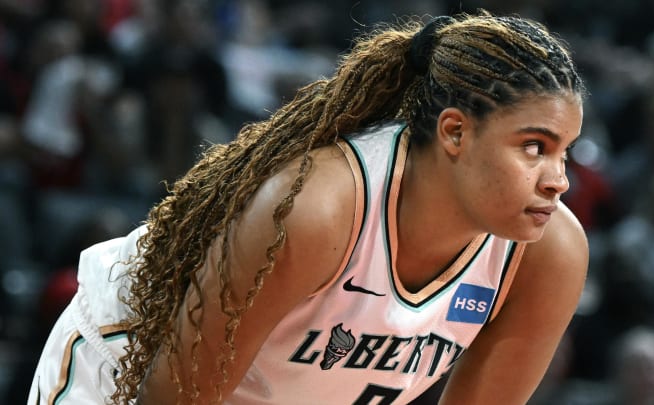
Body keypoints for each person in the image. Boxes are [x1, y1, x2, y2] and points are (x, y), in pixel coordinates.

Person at [28, 11, 588, 405]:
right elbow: (173, 395)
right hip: (130, 371)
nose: (558, 181)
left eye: (566, 152)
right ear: (455, 132)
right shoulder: (318, 211)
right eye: (533, 148)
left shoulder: (549, 253)